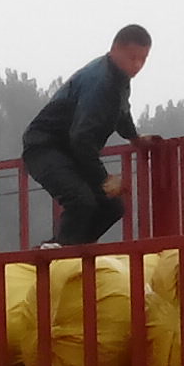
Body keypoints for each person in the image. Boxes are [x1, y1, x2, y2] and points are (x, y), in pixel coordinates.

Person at [21, 24, 151, 245]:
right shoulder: (100, 82)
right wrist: (104, 179)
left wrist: (135, 138)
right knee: (81, 201)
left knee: (112, 207)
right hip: (44, 147)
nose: (137, 65)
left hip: (70, 150)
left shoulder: (119, 77)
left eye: (143, 59)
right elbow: (82, 139)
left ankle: (65, 248)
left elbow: (121, 112)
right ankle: (61, 255)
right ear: (115, 49)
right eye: (132, 57)